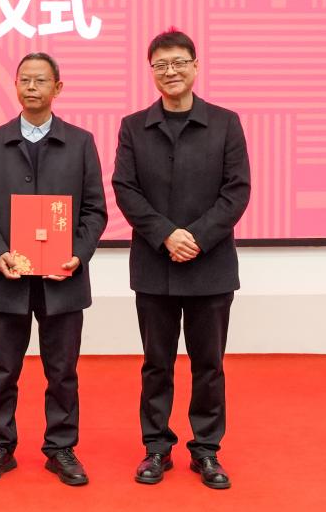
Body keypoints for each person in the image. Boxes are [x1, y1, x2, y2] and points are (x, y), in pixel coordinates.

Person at [111, 30, 251, 489]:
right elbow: (125, 189)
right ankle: (156, 448)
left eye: (178, 63)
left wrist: (198, 238)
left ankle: (207, 449)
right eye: (160, 65)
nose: (170, 72)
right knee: (157, 363)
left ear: (195, 66)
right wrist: (166, 235)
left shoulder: (225, 123)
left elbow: (236, 191)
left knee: (208, 364)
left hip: (211, 267)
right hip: (155, 265)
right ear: (151, 71)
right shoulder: (134, 127)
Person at [0, 53, 107, 486]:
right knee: (1, 368)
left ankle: (61, 448)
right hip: (6, 277)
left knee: (62, 370)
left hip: (63, 279)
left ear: (57, 88)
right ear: (15, 86)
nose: (31, 87)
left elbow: (95, 210)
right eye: (24, 79)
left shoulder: (80, 142)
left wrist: (77, 254)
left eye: (41, 80)